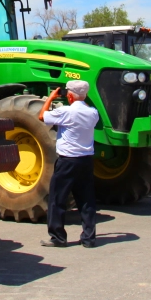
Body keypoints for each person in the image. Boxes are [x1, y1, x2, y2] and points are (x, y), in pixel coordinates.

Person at [38, 79, 100, 248]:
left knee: (58, 199)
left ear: (70, 96)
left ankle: (58, 237)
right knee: (86, 200)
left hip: (67, 161)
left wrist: (50, 97)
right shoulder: (93, 113)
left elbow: (42, 116)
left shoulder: (66, 112)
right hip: (86, 160)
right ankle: (89, 238)